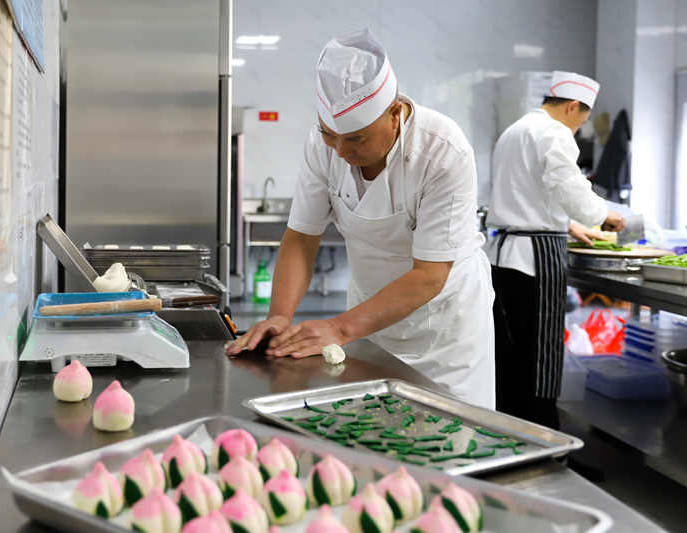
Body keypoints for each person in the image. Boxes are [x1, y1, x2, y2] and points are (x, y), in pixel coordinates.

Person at [227, 27, 495, 409]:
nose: (339, 151)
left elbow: (430, 275)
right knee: (372, 422)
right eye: (329, 135)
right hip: (369, 315)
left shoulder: (443, 151)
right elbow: (301, 237)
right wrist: (280, 316)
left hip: (444, 326)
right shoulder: (323, 146)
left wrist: (339, 327)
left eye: (355, 139)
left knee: (449, 426)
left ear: (395, 114)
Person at [484, 71, 626, 429]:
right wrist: (603, 215)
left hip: (503, 258)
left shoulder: (514, 131)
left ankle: (509, 436)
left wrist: (568, 223)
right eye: (583, 118)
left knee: (509, 355)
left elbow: (528, 192)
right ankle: (547, 441)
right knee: (540, 359)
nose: (580, 126)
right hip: (535, 259)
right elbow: (571, 189)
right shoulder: (554, 132)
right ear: (573, 106)